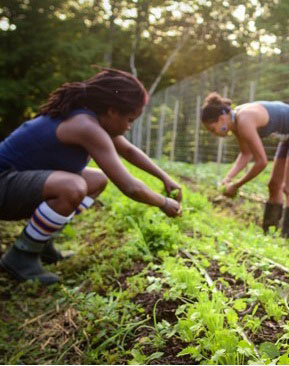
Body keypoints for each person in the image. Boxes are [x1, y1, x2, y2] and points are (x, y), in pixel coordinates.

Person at [0, 68, 183, 285]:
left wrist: (164, 177)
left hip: (14, 183)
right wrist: (163, 202)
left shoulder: (92, 118)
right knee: (73, 186)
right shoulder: (85, 126)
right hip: (4, 183)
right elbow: (130, 187)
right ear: (112, 111)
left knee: (95, 181)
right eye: (130, 119)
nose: (129, 126)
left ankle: (41, 241)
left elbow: (129, 151)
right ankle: (21, 256)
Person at [201, 93, 289, 239]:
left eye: (213, 129)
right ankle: (269, 234)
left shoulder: (244, 121)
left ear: (222, 118)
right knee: (274, 185)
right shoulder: (235, 122)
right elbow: (246, 154)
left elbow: (261, 162)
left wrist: (236, 185)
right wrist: (228, 178)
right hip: (288, 135)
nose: (215, 134)